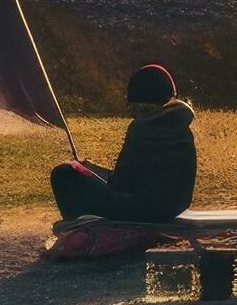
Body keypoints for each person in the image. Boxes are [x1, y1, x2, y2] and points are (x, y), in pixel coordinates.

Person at [52, 63, 198, 225]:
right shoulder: (180, 126)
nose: (134, 115)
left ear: (140, 107)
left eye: (135, 109)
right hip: (172, 208)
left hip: (142, 211)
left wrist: (87, 171)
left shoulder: (142, 128)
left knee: (64, 174)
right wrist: (92, 168)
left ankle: (79, 231)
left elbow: (121, 184)